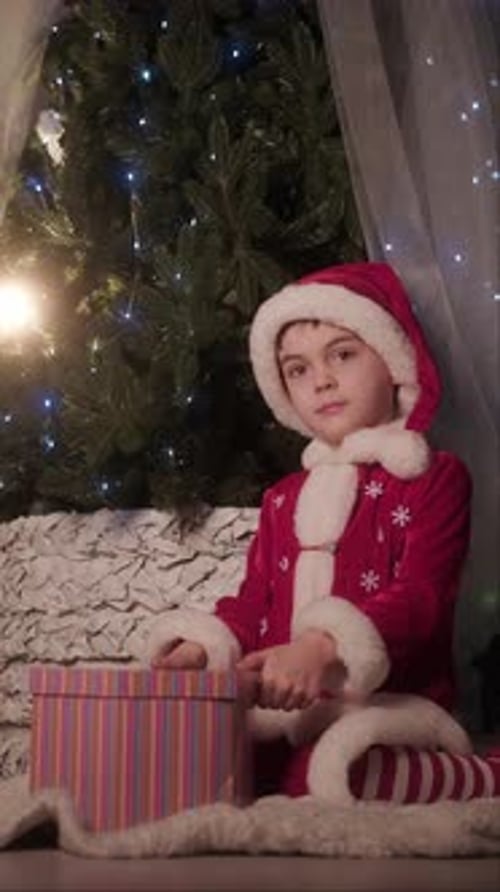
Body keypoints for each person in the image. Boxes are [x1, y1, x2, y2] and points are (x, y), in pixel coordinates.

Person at [143, 262, 500, 804]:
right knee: (218, 766)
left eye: (343, 354)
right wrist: (200, 647)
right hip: (287, 712)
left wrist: (323, 645)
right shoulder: (282, 499)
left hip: (389, 704)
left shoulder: (431, 478)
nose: (322, 381)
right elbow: (254, 602)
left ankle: (484, 775)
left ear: (395, 363)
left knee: (334, 773)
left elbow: (422, 598)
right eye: (297, 369)